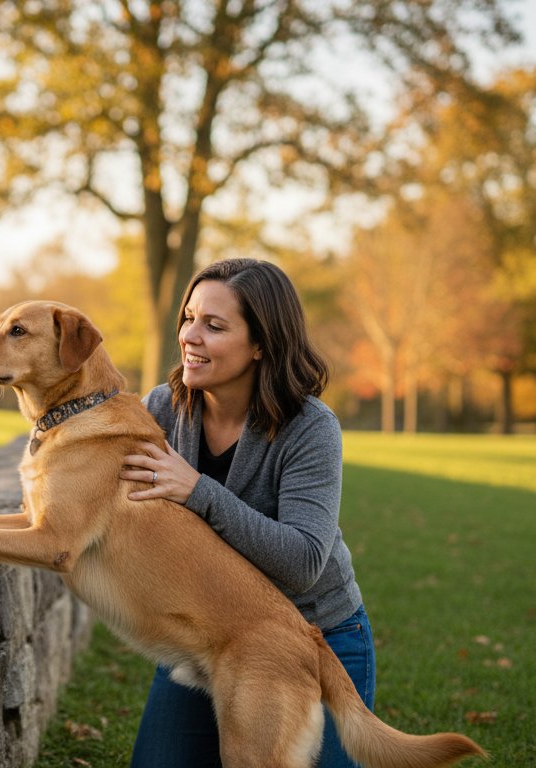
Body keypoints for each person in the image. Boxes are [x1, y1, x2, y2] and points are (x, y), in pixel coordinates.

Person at [118, 258, 373, 768]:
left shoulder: (310, 427)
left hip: (315, 636)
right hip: (206, 633)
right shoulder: (163, 409)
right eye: (189, 318)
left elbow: (303, 562)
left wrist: (199, 492)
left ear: (261, 344)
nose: (190, 336)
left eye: (214, 326)